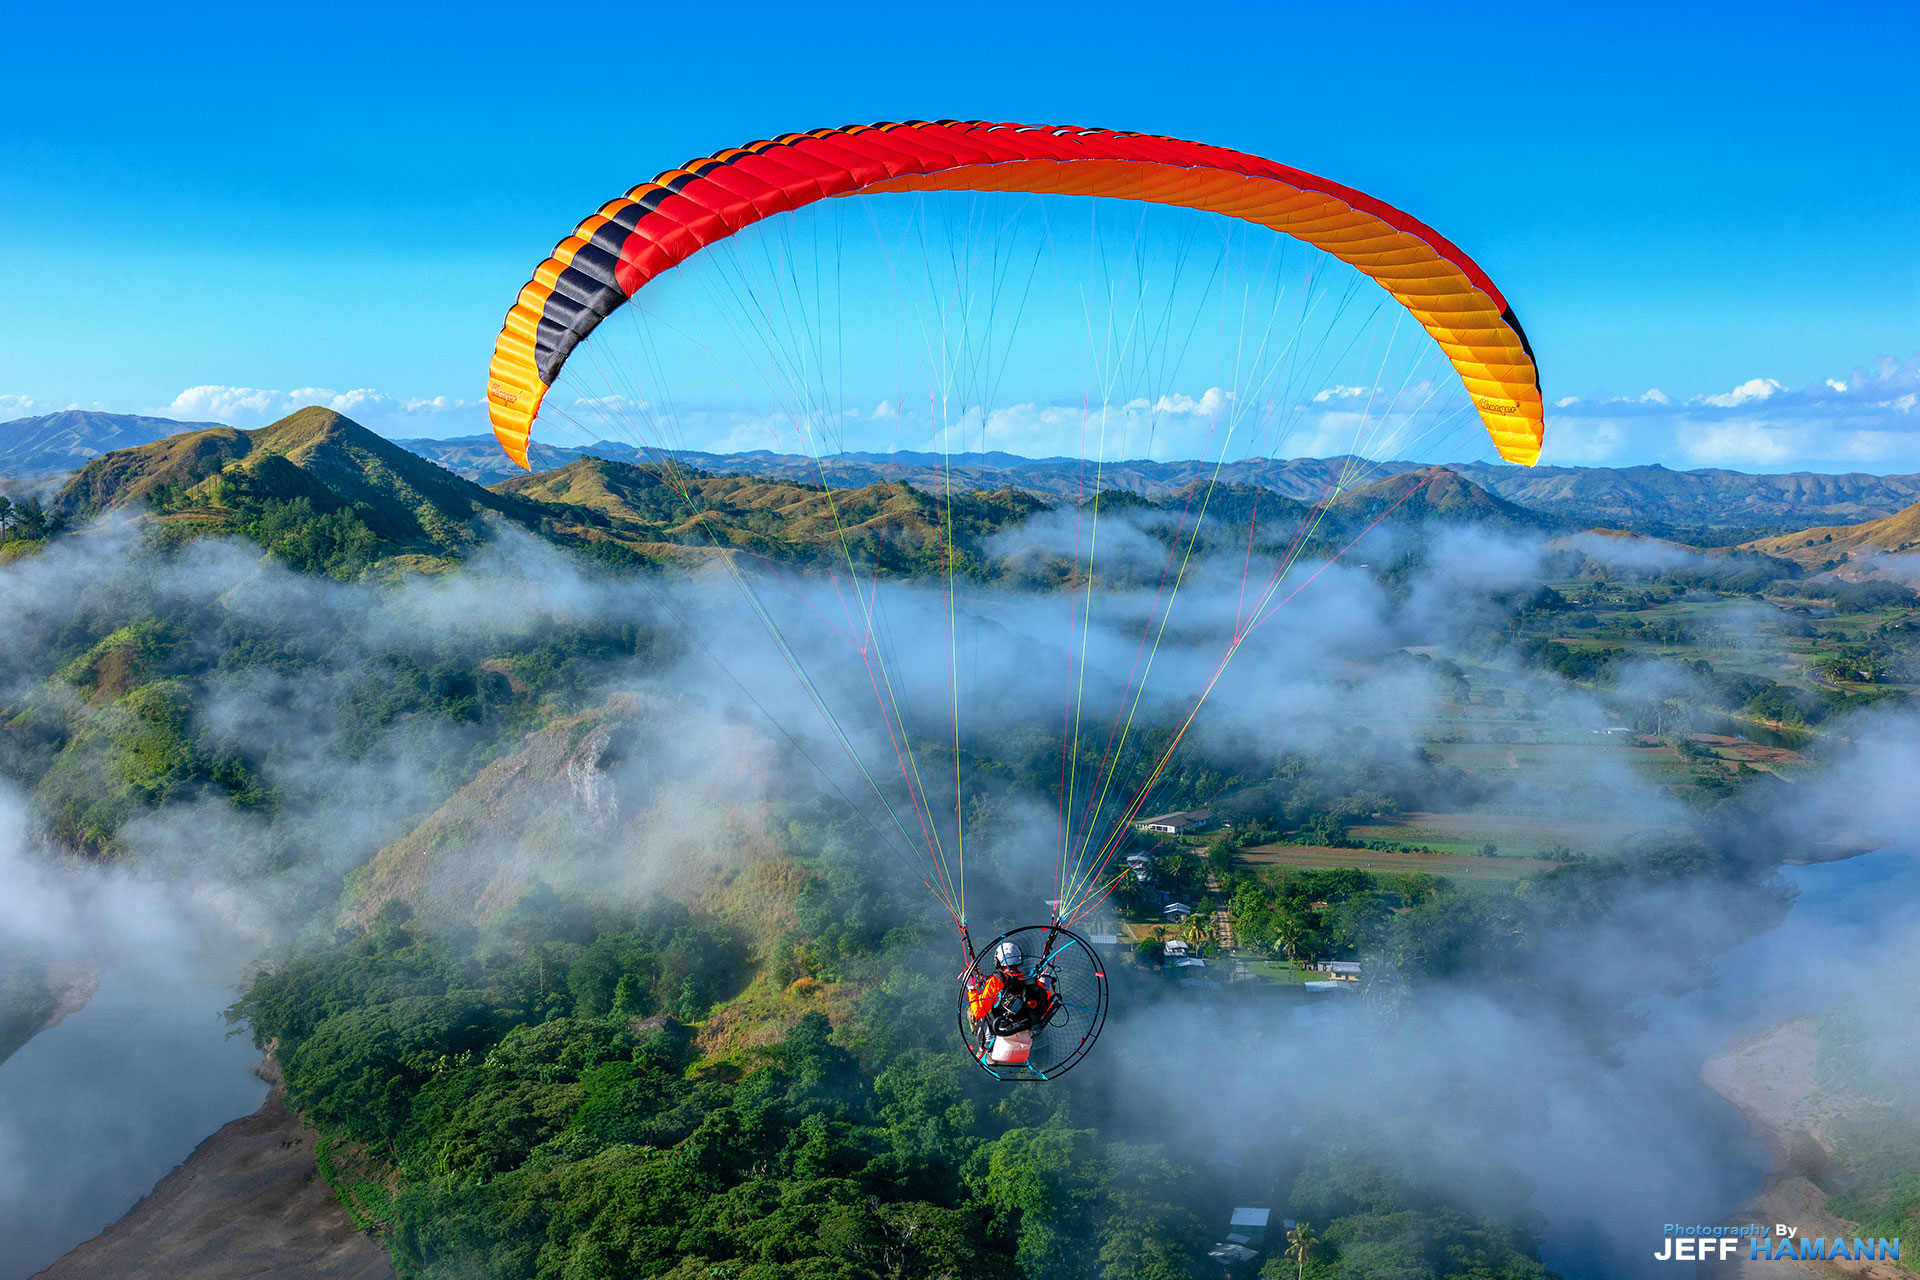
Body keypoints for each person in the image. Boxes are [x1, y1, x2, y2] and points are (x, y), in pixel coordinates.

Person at [965, 939, 1057, 1065]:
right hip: (1023, 1033)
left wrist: (971, 988)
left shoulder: (997, 981)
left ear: (998, 960)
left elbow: (979, 1011)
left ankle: (987, 1047)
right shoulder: (1029, 980)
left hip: (1001, 1030)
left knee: (972, 1011)